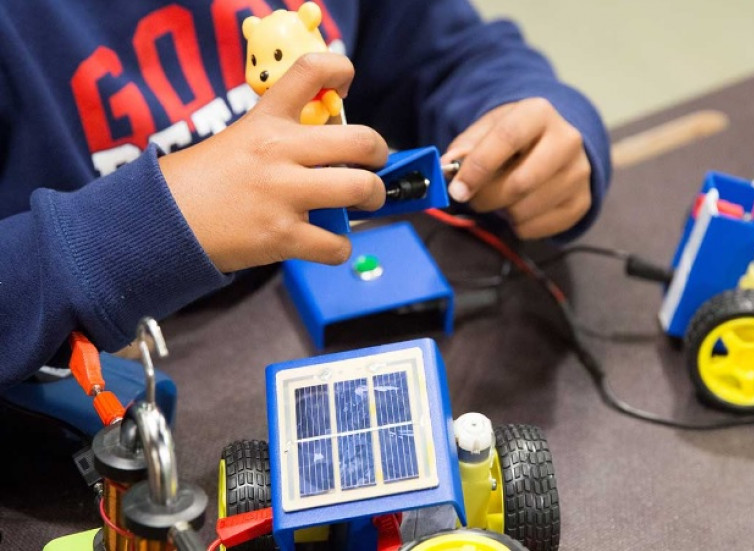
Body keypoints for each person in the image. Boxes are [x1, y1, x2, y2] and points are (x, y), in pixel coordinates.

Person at [0, 0, 611, 388]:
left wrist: (535, 121)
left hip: (341, 319)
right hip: (116, 387)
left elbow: (449, 50)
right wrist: (150, 226)